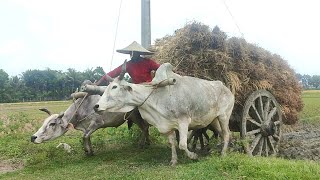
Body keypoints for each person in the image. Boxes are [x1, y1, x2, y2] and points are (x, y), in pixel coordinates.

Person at [96, 41, 160, 85]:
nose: (132, 55)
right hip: (136, 90)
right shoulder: (128, 65)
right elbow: (113, 73)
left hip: (149, 88)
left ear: (139, 53)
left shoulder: (148, 62)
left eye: (135, 53)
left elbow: (160, 68)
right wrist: (97, 84)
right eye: (131, 53)